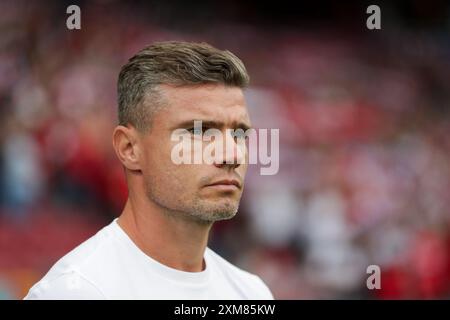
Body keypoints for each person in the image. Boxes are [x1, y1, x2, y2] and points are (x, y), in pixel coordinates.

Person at [24, 41, 274, 299]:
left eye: (239, 133)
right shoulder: (74, 292)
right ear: (130, 148)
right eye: (198, 132)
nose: (231, 154)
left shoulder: (252, 293)